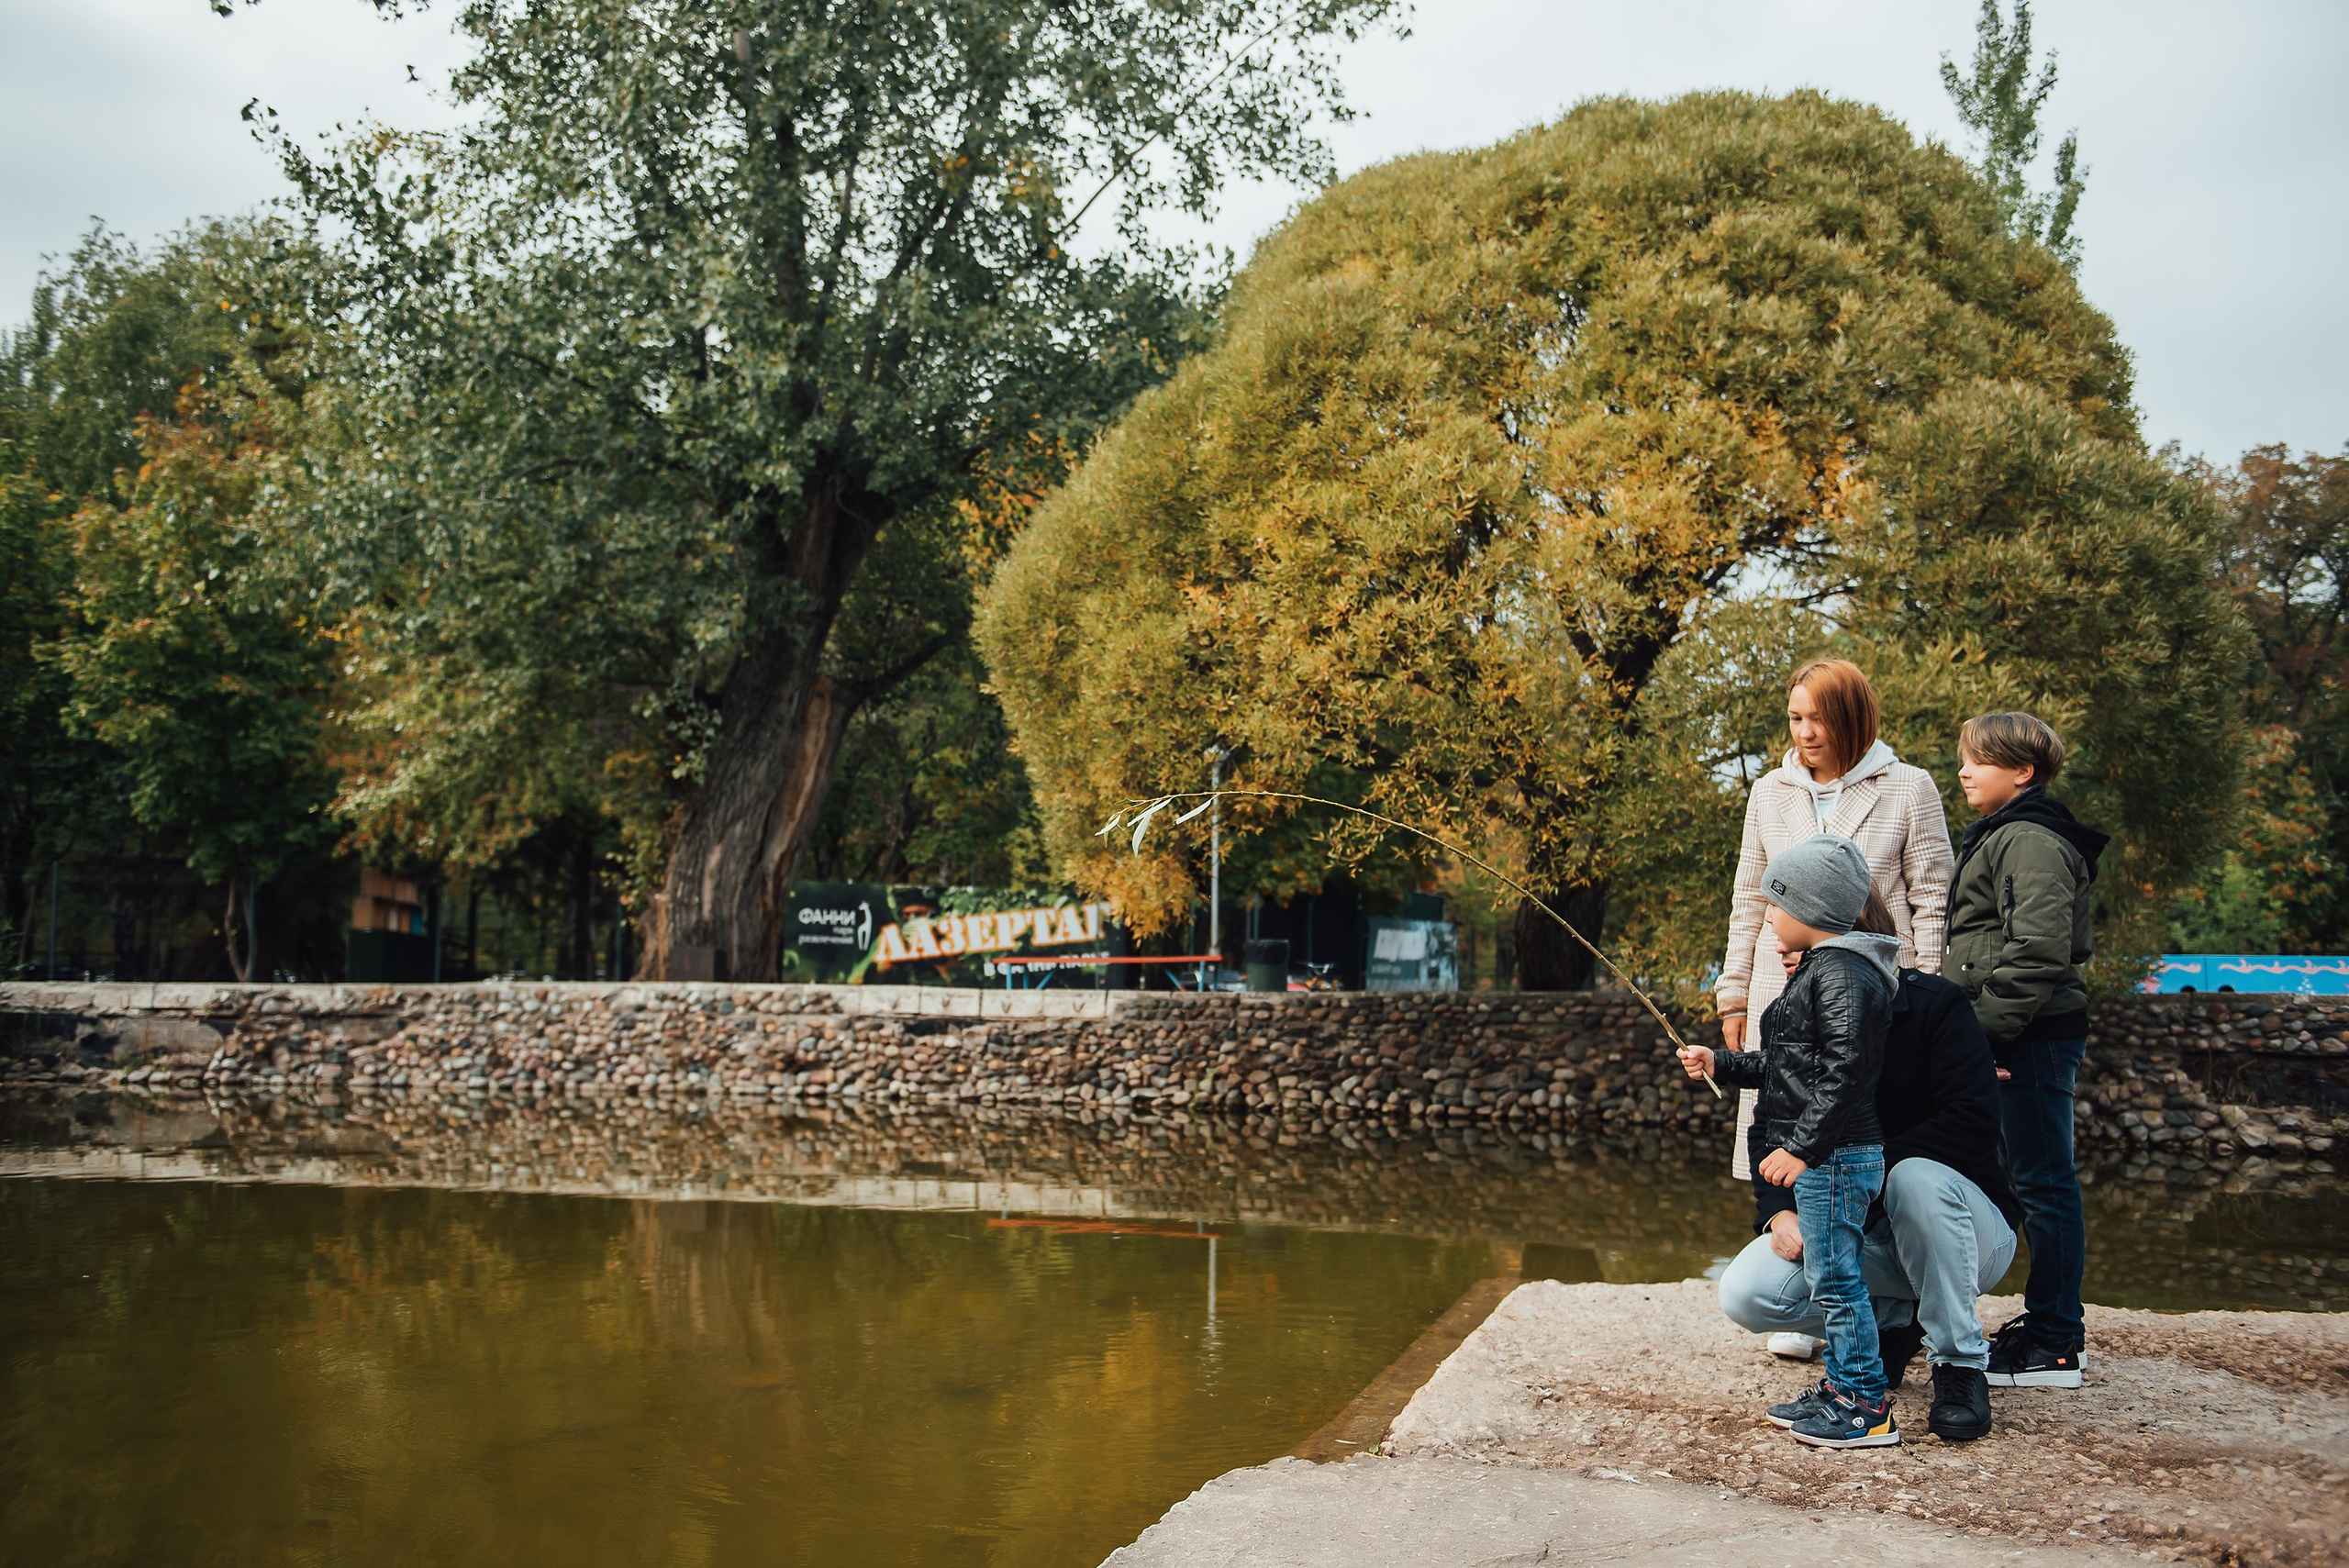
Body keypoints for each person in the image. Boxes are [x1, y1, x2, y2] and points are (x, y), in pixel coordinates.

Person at [1713, 889, 2021, 1443]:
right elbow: (1769, 1126)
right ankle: (1888, 1330)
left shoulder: (1936, 1006)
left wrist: (1853, 1172)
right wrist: (1780, 1213)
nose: (1779, 947)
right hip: (1861, 1228)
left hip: (1963, 1234)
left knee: (1914, 1178)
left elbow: (1973, 1123)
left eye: (1795, 933)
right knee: (1748, 1290)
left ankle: (1959, 1363)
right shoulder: (1792, 1015)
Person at [1717, 658, 1955, 1360]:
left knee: (1858, 1126)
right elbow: (1749, 897)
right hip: (1779, 985)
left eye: (1819, 718)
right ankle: (1805, 1296)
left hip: (1872, 992)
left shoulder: (1909, 786)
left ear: (1852, 717)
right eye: (1796, 717)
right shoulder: (1769, 791)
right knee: (1785, 1116)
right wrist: (1735, 990)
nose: (1806, 731)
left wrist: (1922, 994)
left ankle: (1886, 1297)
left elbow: (1932, 898)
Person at [1679, 833, 1898, 1449]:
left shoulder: (1844, 974)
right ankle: (1843, 1389)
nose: (1769, 915)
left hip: (1837, 1155)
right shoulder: (1823, 970)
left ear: (1810, 908)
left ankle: (1865, 1406)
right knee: (1831, 1275)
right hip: (1829, 1154)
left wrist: (1803, 1147)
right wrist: (1721, 1063)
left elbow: (1844, 1073)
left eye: (1776, 903)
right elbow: (1787, 1065)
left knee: (1836, 1280)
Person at [1945, 712, 2108, 1390]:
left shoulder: (2030, 838)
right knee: (2028, 1179)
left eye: (1977, 760)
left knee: (2044, 1183)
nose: (1963, 771)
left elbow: (2037, 950)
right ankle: (2048, 1329)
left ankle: (2054, 1342)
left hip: (2028, 1037)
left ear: (2022, 771)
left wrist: (1979, 1036)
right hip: (2020, 1032)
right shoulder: (2008, 833)